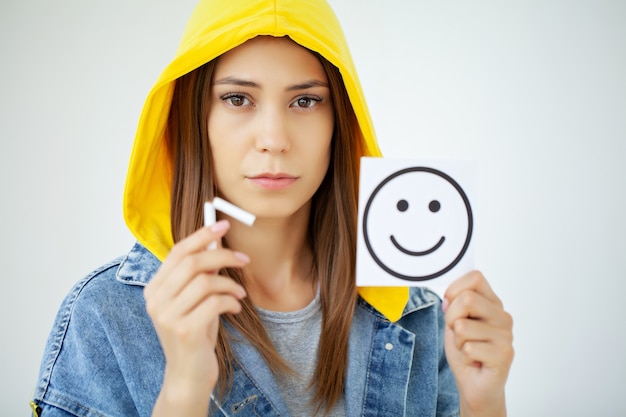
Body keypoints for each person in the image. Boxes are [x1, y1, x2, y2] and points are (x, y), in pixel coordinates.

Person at [30, 0, 514, 416]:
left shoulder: (420, 316)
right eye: (238, 98)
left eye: (305, 101)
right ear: (193, 117)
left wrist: (484, 404)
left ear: (340, 124)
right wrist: (182, 390)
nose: (274, 140)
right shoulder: (104, 318)